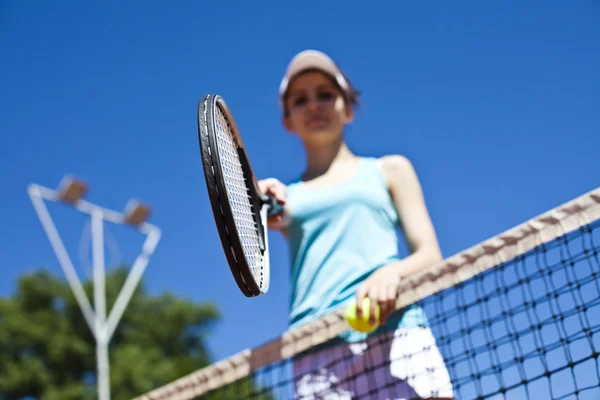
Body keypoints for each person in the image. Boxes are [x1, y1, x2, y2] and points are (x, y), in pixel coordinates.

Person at [258, 50, 454, 400]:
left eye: (325, 94)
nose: (314, 105)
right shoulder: (287, 198)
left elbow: (430, 256)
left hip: (397, 334)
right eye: (300, 100)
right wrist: (254, 198)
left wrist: (391, 273)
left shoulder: (389, 170)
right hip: (315, 347)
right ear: (288, 120)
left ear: (348, 108)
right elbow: (243, 223)